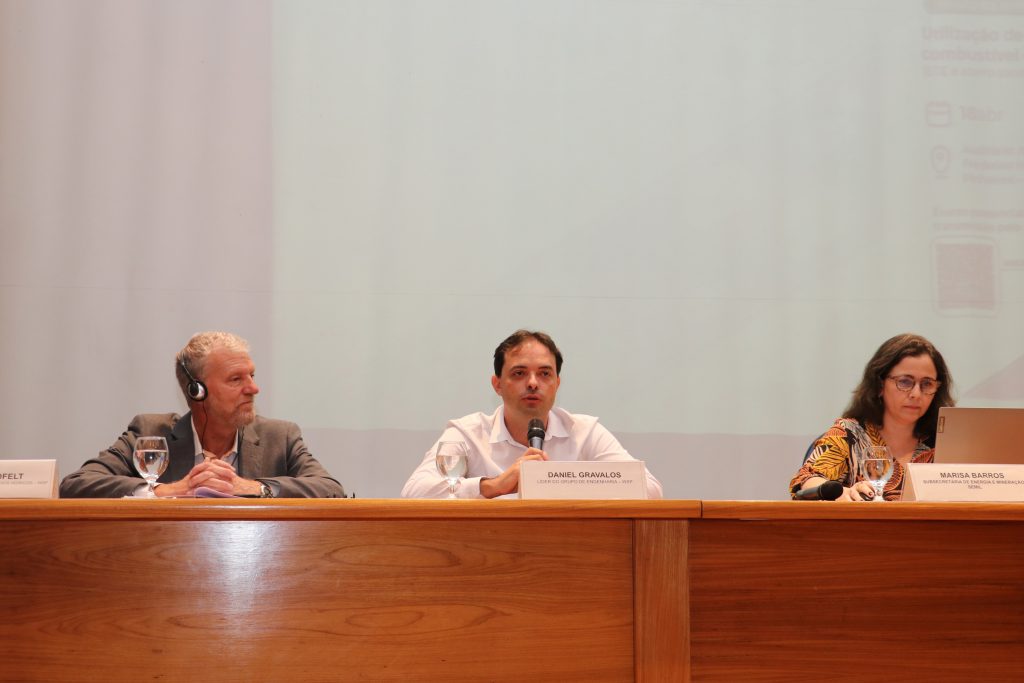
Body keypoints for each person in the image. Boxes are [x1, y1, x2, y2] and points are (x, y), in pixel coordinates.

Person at [60, 331, 345, 498]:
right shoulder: (150, 433)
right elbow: (76, 485)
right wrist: (168, 490)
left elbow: (330, 489)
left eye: (252, 376)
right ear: (197, 391)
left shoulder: (280, 437)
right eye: (236, 379)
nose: (253, 388)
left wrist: (252, 488)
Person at [401, 329, 663, 499]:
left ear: (557, 383)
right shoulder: (467, 433)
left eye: (545, 373)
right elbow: (414, 491)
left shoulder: (585, 432)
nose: (533, 383)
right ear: (497, 384)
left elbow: (650, 490)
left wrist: (561, 482)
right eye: (519, 373)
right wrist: (493, 486)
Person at [790, 333, 955, 502]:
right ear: (880, 385)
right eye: (905, 382)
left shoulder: (947, 442)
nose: (916, 394)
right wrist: (843, 493)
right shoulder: (849, 435)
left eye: (927, 384)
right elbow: (807, 481)